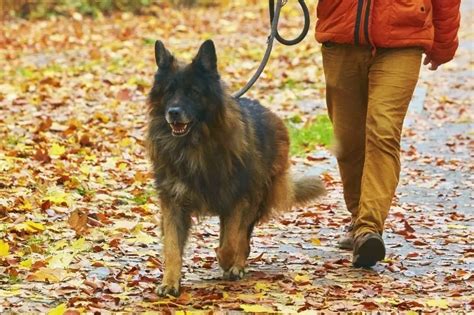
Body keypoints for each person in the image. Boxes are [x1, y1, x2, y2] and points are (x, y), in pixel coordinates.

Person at [315, 1, 461, 267]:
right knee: (347, 141)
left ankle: (369, 228)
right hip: (342, 34)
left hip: (403, 38)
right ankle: (359, 218)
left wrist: (443, 41)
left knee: (383, 131)